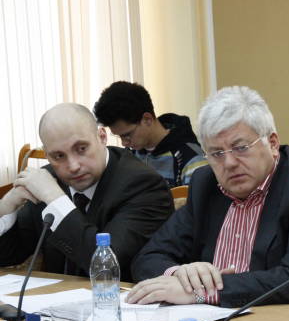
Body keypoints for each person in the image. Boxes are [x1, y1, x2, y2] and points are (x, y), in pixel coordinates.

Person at [127, 86, 289, 308]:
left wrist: (202, 292)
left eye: (240, 148)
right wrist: (181, 275)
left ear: (272, 143)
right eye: (217, 153)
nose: (229, 163)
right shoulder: (206, 184)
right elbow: (147, 258)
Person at [0, 103, 173, 281]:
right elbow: (8, 256)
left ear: (102, 137)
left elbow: (105, 266)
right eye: (58, 156)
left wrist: (55, 200)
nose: (73, 166)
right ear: (47, 155)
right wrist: (6, 207)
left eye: (81, 149)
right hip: (58, 296)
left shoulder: (143, 185)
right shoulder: (49, 179)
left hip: (120, 295)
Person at [94, 81, 207, 187]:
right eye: (119, 136)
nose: (124, 143)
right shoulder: (127, 158)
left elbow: (198, 200)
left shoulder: (190, 159)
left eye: (127, 135)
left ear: (147, 119)